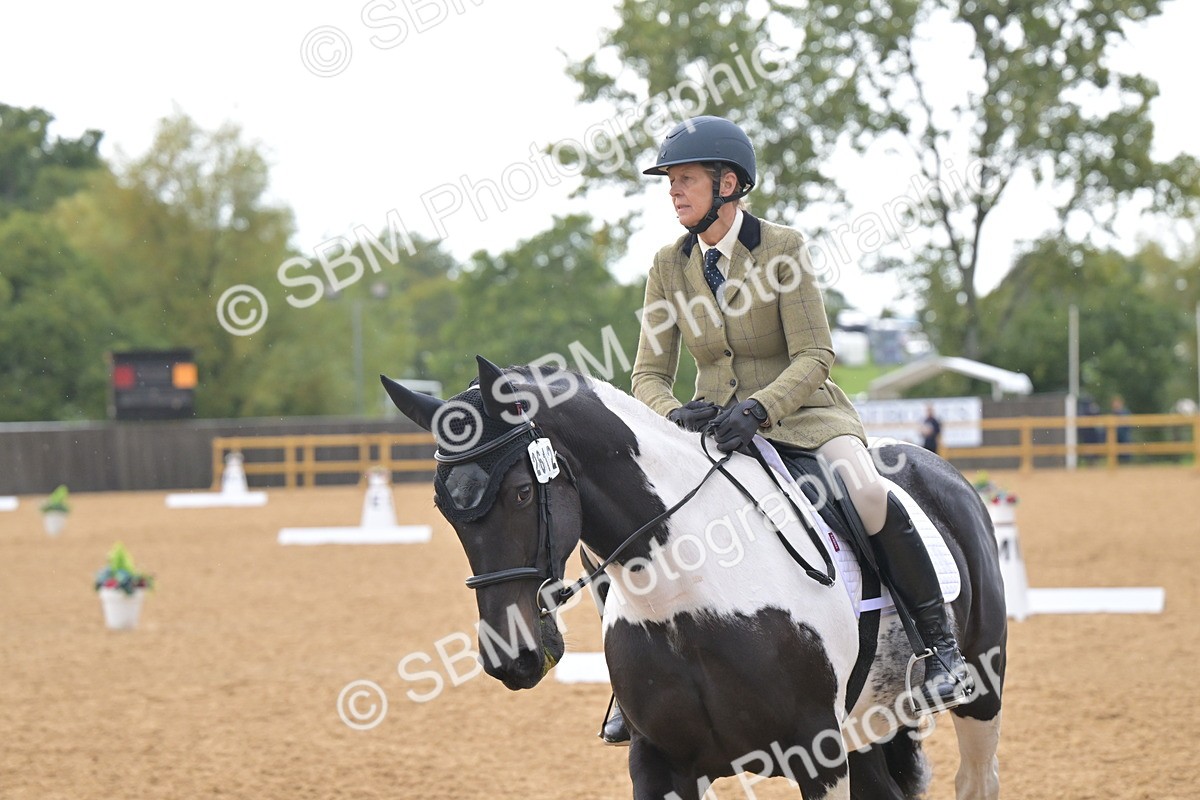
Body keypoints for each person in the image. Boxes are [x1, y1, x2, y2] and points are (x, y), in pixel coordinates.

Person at [598, 116, 974, 745]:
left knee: (867, 493)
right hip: (714, 426)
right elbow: (647, 373)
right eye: (670, 182)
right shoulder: (669, 265)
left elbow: (816, 354)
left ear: (729, 183)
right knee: (634, 520)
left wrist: (762, 408)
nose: (673, 192)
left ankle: (940, 650)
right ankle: (633, 685)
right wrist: (672, 415)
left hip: (805, 414)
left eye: (685, 180)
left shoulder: (782, 248)